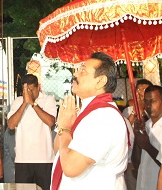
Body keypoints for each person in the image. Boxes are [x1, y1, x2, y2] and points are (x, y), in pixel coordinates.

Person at [51, 52, 129, 189]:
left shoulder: (104, 117)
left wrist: (65, 129)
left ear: (101, 81)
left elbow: (71, 167)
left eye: (83, 71)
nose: (75, 75)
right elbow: (59, 150)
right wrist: (64, 126)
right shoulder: (88, 112)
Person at [7, 74, 57, 190]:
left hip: (45, 159)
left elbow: (50, 122)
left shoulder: (48, 100)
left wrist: (33, 104)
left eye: (31, 90)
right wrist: (25, 102)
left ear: (38, 87)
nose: (29, 93)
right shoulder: (17, 102)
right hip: (22, 159)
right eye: (26, 90)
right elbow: (11, 125)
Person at [132, 85, 162, 190]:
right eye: (146, 101)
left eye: (153, 101)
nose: (149, 105)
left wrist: (147, 146)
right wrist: (138, 137)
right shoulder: (145, 125)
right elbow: (136, 161)